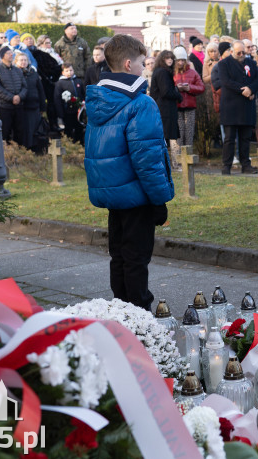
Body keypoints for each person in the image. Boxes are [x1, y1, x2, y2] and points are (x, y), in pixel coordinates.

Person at [84, 34, 173, 312]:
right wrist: (159, 200)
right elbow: (148, 160)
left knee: (119, 256)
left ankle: (121, 310)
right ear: (127, 64)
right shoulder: (140, 103)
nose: (145, 67)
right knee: (135, 258)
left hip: (115, 195)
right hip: (138, 195)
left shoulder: (99, 99)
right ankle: (139, 316)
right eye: (142, 62)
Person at [214, 40, 258, 174]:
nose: (241, 55)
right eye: (238, 52)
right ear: (232, 51)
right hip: (231, 107)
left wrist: (251, 90)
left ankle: (246, 165)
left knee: (245, 137)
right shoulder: (224, 64)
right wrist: (243, 91)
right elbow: (225, 81)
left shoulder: (251, 63)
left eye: (243, 52)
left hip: (246, 106)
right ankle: (226, 166)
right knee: (229, 138)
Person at [149, 50, 182, 166]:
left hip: (163, 108)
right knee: (166, 137)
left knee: (165, 138)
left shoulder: (160, 71)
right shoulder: (162, 72)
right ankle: (168, 164)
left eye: (171, 58)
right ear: (162, 60)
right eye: (167, 58)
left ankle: (167, 163)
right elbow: (165, 92)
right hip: (164, 109)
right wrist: (178, 95)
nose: (170, 60)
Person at [0, 45, 27, 146]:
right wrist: (12, 98)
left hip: (18, 106)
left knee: (20, 132)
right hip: (4, 107)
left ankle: (20, 153)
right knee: (5, 132)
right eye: (8, 53)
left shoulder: (18, 70)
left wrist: (19, 97)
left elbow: (25, 86)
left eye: (11, 53)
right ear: (2, 56)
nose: (11, 54)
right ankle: (6, 155)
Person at [15, 51, 47, 154]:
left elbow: (41, 90)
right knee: (24, 130)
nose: (23, 62)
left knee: (35, 129)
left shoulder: (33, 73)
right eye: (21, 60)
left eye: (25, 60)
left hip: (35, 106)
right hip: (23, 107)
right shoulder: (15, 73)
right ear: (16, 62)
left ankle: (35, 149)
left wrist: (43, 107)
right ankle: (25, 149)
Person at [174, 53, 205, 150]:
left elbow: (201, 87)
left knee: (189, 132)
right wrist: (176, 88)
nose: (181, 63)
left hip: (190, 105)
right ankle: (179, 158)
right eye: (178, 60)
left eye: (183, 60)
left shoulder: (193, 73)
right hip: (176, 106)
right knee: (179, 132)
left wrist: (189, 88)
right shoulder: (171, 73)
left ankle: (188, 156)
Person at [53, 62, 86, 145]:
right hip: (67, 112)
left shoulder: (78, 81)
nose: (69, 72)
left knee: (79, 128)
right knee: (69, 130)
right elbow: (57, 99)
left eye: (71, 70)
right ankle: (70, 146)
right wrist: (60, 113)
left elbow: (83, 94)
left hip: (79, 111)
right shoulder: (60, 83)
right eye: (67, 71)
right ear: (63, 72)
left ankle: (80, 145)